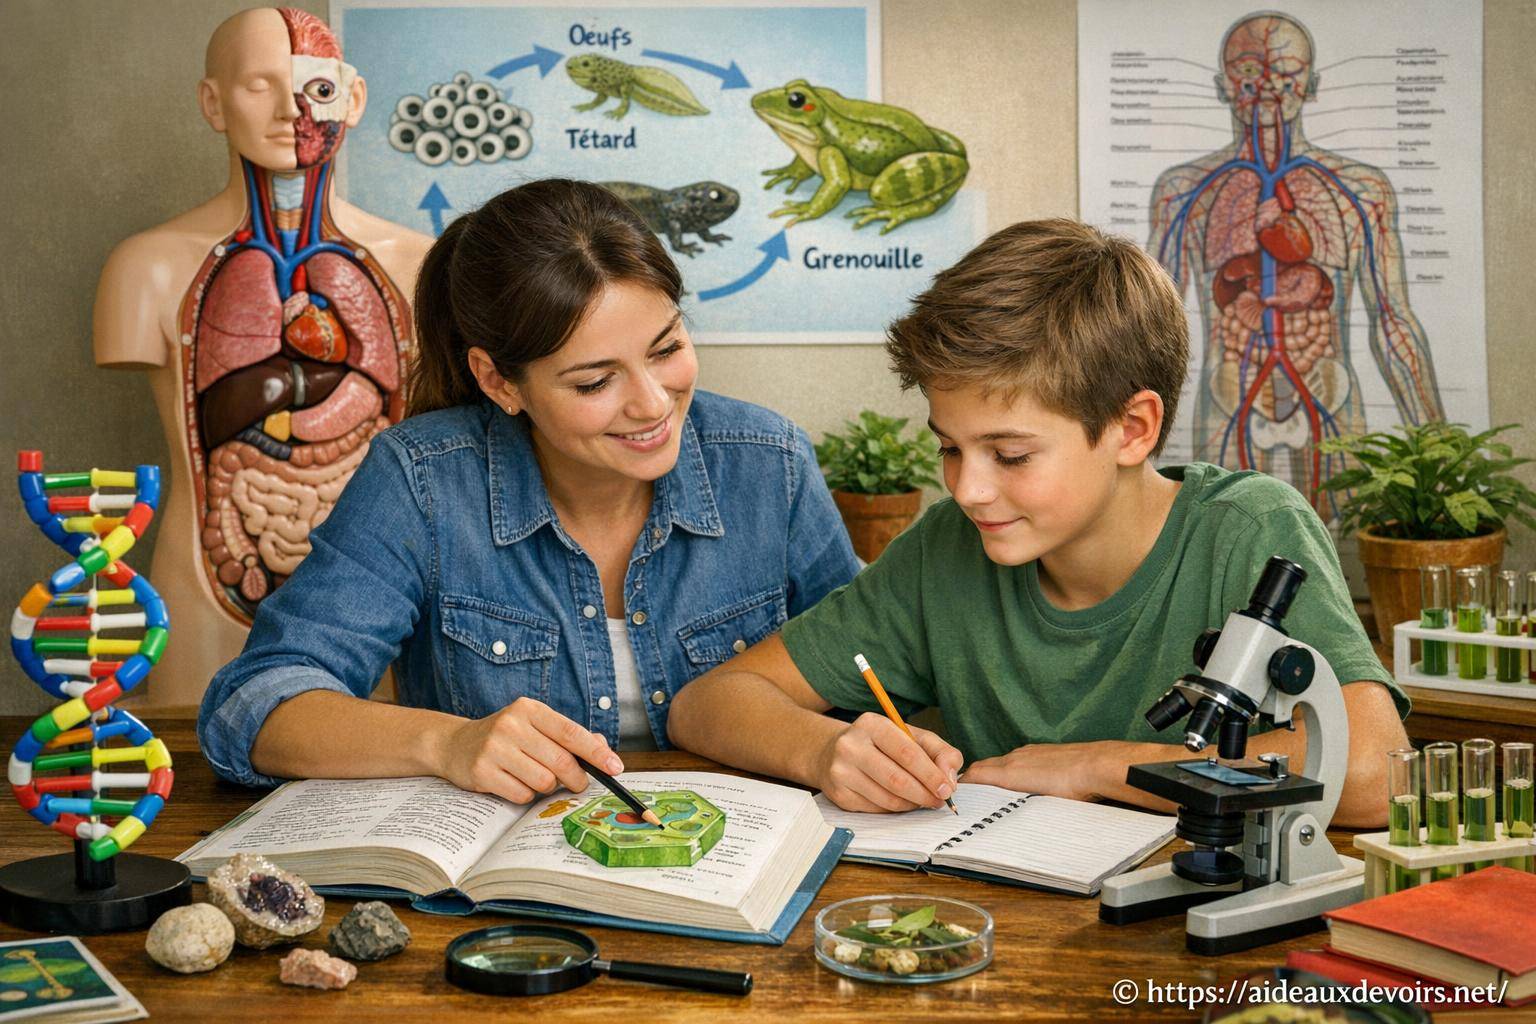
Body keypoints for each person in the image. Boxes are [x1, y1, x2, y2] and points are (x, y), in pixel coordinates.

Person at [668, 218, 1409, 828]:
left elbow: (1378, 773)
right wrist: (827, 751)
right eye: (950, 448)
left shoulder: (1247, 531)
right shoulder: (946, 550)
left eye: (1011, 455)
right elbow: (706, 706)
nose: (967, 490)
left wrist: (1098, 767)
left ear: (1132, 429)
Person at [198, 178, 860, 804]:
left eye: (666, 349)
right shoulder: (422, 478)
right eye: (595, 382)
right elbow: (252, 705)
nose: (654, 404)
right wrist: (449, 743)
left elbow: (871, 671)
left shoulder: (770, 462)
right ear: (498, 381)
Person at [1146, 11, 1442, 513]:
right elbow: (1143, 326)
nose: (1267, 88)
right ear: (1223, 86)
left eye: (1285, 73)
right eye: (1249, 72)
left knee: (1340, 544)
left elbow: (1392, 320)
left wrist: (1439, 454)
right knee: (1222, 540)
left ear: (1312, 84)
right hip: (1229, 391)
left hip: (1327, 385)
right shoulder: (1184, 193)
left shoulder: (1360, 190)